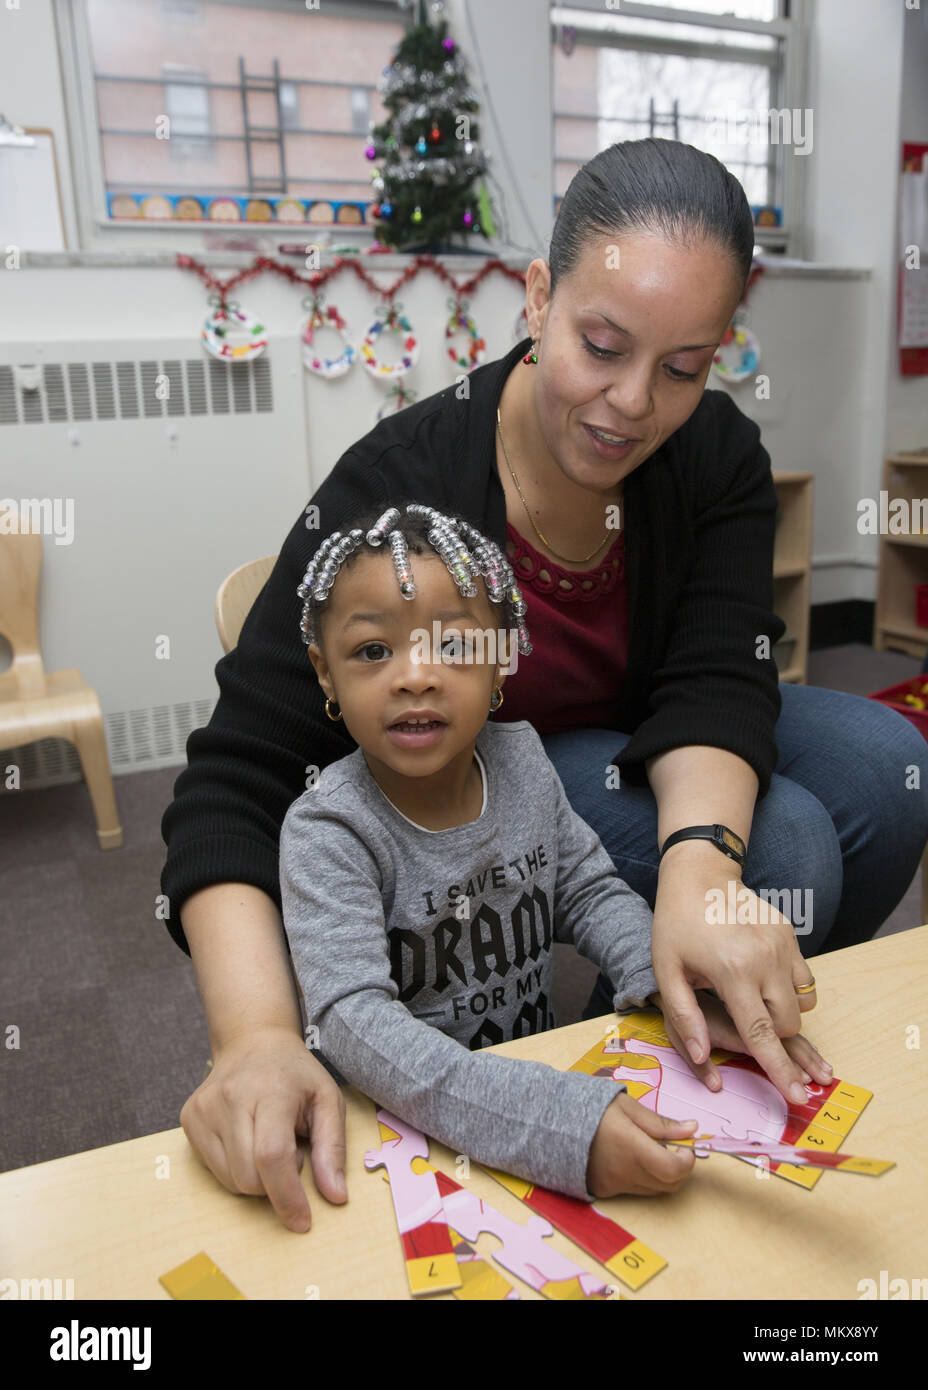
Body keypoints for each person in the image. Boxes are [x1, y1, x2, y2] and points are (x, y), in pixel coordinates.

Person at [161, 137, 928, 1232]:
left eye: (683, 365)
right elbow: (236, 778)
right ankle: (640, 1040)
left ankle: (714, 1019)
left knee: (891, 763)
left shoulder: (712, 453)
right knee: (792, 842)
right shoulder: (401, 482)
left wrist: (701, 872)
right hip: (499, 765)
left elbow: (720, 673)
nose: (630, 404)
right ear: (535, 296)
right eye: (601, 345)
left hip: (641, 727)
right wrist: (252, 1034)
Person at [279, 500, 830, 1199]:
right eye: (372, 651)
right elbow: (354, 1026)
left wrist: (675, 990)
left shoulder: (523, 763)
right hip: (395, 1140)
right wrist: (548, 1123)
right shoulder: (328, 831)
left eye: (454, 647)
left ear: (502, 659)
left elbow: (590, 892)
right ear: (325, 674)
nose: (415, 676)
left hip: (531, 1085)